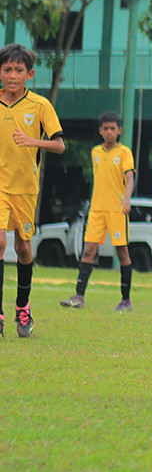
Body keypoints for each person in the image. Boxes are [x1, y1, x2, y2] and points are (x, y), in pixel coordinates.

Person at [0, 43, 65, 338]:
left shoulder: (40, 105)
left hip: (25, 188)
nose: (12, 75)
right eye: (7, 69)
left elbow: (59, 145)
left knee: (23, 248)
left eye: (18, 70)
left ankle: (22, 306)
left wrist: (32, 141)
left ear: (30, 74)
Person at [60, 112, 135, 312]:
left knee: (122, 252)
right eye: (106, 128)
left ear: (119, 130)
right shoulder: (95, 152)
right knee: (88, 250)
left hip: (117, 210)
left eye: (113, 128)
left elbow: (129, 178)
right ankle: (79, 297)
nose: (109, 132)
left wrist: (127, 199)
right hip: (96, 210)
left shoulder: (124, 152)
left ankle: (126, 301)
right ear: (100, 131)